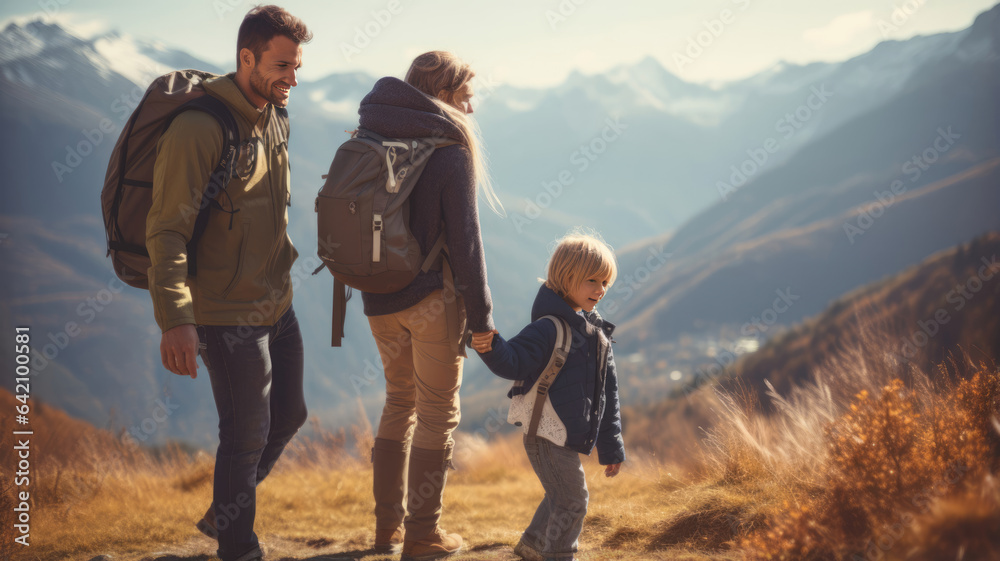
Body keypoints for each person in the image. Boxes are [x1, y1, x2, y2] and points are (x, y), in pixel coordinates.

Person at [145, 6, 311, 561]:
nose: (293, 78)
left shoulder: (275, 115)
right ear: (247, 57)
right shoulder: (199, 129)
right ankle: (239, 549)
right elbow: (166, 231)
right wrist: (177, 319)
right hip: (221, 311)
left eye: (297, 66)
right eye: (282, 65)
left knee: (289, 416)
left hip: (275, 302)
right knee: (243, 437)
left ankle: (223, 513)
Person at [358, 51, 503, 560]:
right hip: (429, 299)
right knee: (439, 411)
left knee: (399, 401)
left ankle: (386, 530)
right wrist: (482, 319)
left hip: (376, 296)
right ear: (441, 96)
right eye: (465, 97)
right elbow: (467, 242)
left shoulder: (371, 135)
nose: (472, 108)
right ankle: (422, 535)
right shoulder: (449, 150)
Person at [471, 232, 626, 561]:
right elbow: (512, 361)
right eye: (591, 280)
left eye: (605, 283)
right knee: (573, 499)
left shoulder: (596, 334)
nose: (600, 290)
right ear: (567, 278)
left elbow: (608, 395)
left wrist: (611, 447)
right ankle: (558, 555)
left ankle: (531, 546)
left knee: (561, 495)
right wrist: (490, 345)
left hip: (566, 432)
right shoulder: (547, 327)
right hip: (544, 432)